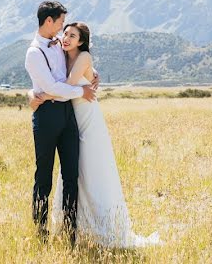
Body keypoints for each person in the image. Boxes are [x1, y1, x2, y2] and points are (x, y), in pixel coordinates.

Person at [30, 22, 161, 248]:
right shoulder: (60, 53)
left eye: (72, 35)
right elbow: (51, 80)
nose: (66, 38)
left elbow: (66, 88)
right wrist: (32, 91)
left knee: (91, 170)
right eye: (65, 33)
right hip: (70, 119)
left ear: (81, 41)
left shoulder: (82, 57)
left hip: (87, 119)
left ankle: (104, 227)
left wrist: (39, 96)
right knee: (72, 172)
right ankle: (75, 227)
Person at [23, 1, 97, 246]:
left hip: (67, 114)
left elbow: (80, 64)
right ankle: (41, 230)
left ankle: (70, 230)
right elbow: (50, 87)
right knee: (43, 175)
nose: (63, 28)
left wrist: (92, 78)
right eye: (61, 22)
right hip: (46, 117)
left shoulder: (59, 44)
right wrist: (81, 92)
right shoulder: (34, 52)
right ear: (49, 21)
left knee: (71, 174)